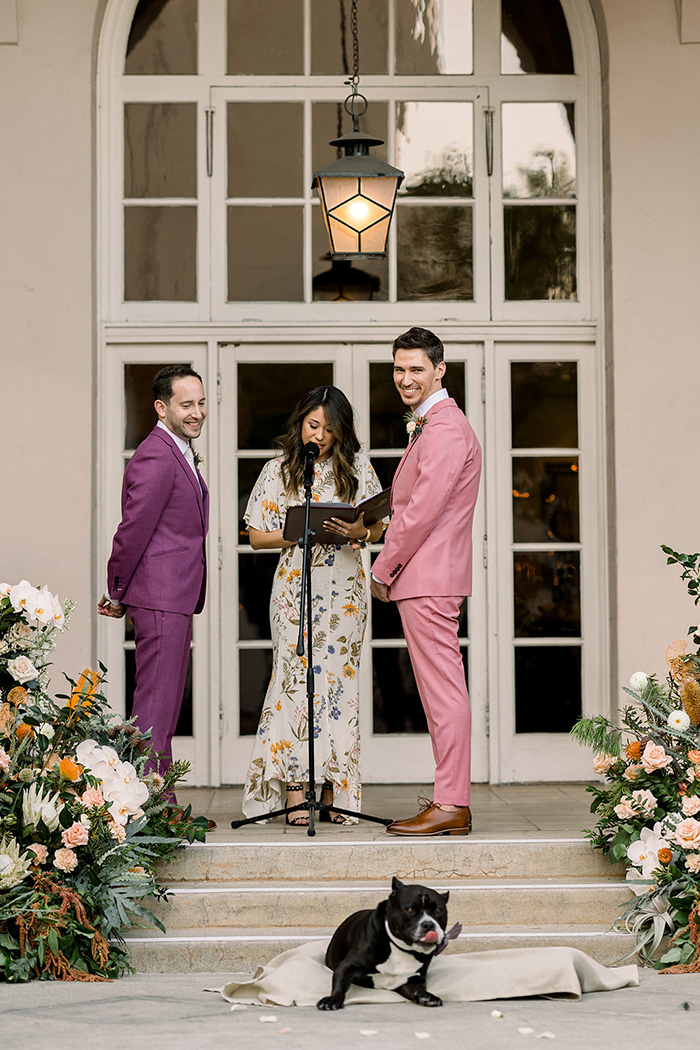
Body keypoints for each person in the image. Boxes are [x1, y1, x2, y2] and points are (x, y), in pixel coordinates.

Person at [242, 385, 384, 826]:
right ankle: (294, 788)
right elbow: (255, 536)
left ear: (343, 431)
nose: (319, 435)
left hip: (344, 593)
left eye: (329, 428)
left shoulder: (358, 468)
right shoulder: (278, 470)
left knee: (339, 689)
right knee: (292, 681)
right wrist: (297, 532)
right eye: (313, 425)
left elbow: (377, 531)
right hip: (293, 592)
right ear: (300, 423)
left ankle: (334, 788)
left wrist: (355, 532)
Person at [371, 328, 482, 836]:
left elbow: (419, 513)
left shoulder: (443, 429)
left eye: (416, 369)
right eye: (399, 369)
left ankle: (451, 802)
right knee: (440, 689)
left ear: (440, 370)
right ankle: (448, 798)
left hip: (427, 576)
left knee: (443, 691)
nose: (405, 378)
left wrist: (383, 566)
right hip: (430, 576)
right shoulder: (435, 426)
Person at [97, 365, 209, 798]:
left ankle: (160, 801)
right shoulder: (156, 454)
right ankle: (146, 805)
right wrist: (116, 587)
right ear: (162, 407)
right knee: (154, 706)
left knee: (163, 705)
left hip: (173, 593)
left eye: (200, 403)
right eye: (187, 405)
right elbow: (133, 527)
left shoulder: (178, 449)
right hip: (160, 594)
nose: (197, 412)